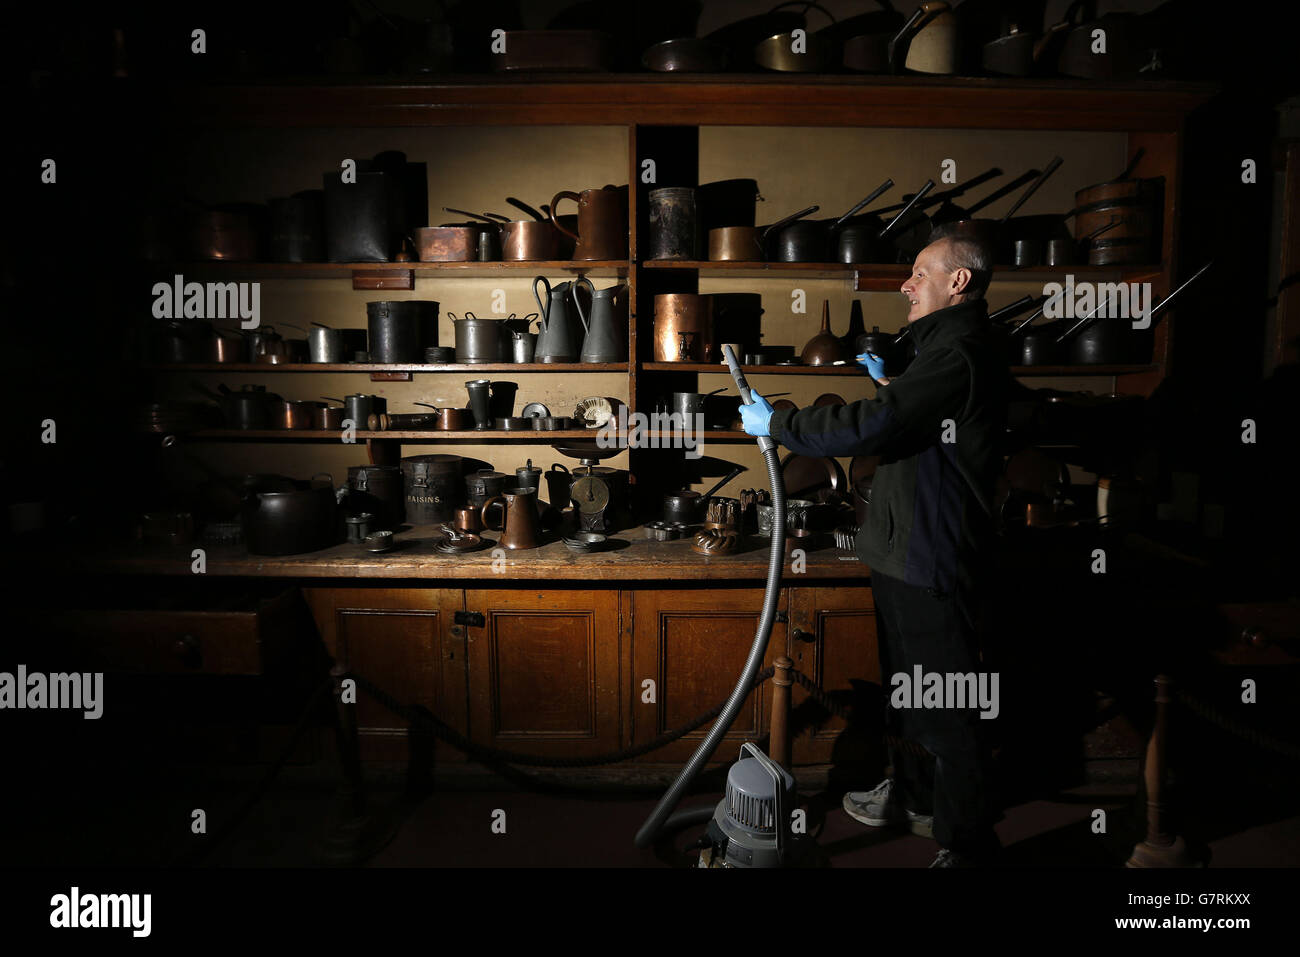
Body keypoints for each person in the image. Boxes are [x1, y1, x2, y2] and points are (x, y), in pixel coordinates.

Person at [740, 233, 1008, 867]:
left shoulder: (960, 350)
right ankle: (917, 798)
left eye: (919, 273)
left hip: (931, 557)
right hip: (899, 552)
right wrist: (898, 385)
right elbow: (915, 424)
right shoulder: (938, 352)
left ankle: (968, 847)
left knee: (947, 710)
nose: (907, 285)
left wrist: (780, 424)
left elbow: (873, 425)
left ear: (958, 283)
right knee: (910, 694)